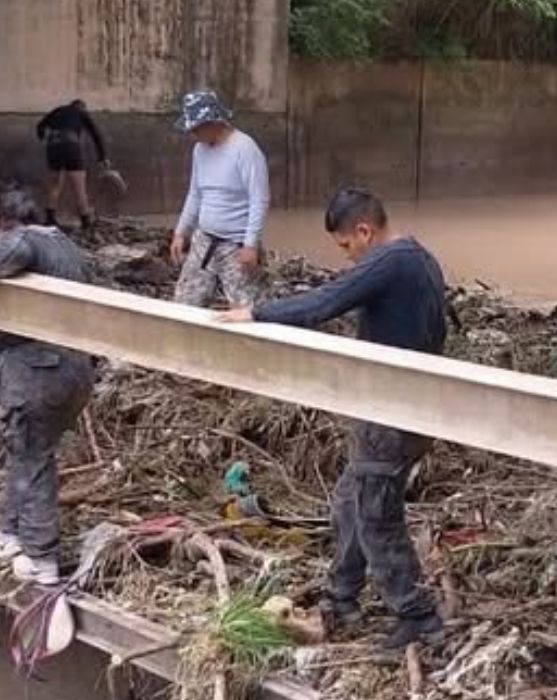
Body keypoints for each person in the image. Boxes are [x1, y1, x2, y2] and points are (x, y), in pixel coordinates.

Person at [219, 187, 445, 649]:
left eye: (346, 246)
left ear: (364, 230)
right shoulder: (419, 258)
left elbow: (325, 303)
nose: (347, 257)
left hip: (393, 413)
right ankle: (341, 599)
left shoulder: (389, 260)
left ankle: (418, 615)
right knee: (349, 502)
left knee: (375, 515)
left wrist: (256, 313)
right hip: (409, 407)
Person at [0, 188, 94, 585]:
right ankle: (11, 533)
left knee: (33, 456)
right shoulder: (65, 243)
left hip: (40, 369)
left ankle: (42, 558)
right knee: (27, 452)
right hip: (75, 367)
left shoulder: (20, 239)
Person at [170, 90, 270, 308]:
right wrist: (181, 232)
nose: (193, 134)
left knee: (248, 312)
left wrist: (250, 245)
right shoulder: (199, 150)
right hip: (203, 240)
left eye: (197, 128)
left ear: (214, 122)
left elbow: (259, 200)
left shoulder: (245, 149)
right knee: (184, 305)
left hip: (236, 244)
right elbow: (195, 193)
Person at [36, 99, 110, 229]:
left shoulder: (57, 110)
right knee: (79, 185)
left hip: (53, 146)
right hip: (70, 146)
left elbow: (40, 126)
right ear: (82, 107)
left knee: (55, 184)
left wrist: (43, 139)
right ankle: (85, 219)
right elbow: (96, 134)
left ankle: (50, 218)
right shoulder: (81, 113)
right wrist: (102, 157)